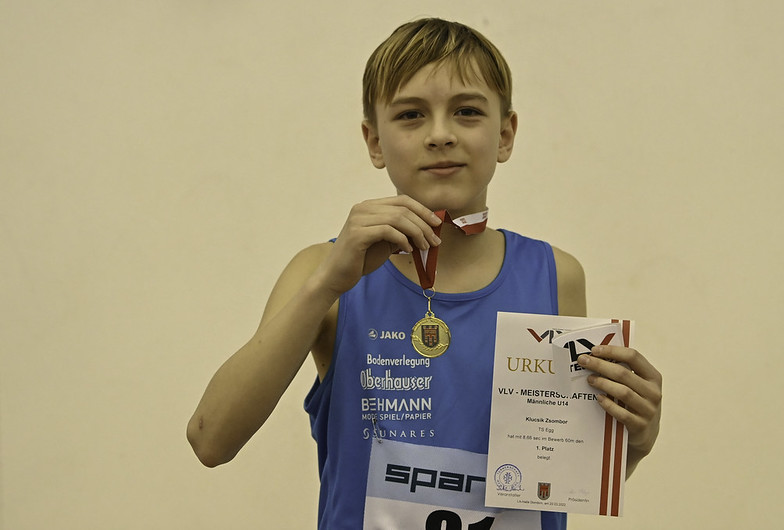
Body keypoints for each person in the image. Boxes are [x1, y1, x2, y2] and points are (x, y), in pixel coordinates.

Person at [187, 18, 662, 529]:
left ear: (505, 135)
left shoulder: (556, 275)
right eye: (411, 114)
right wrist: (326, 284)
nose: (440, 135)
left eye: (467, 111)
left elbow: (553, 476)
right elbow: (211, 440)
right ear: (374, 142)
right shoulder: (321, 272)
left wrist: (633, 443)